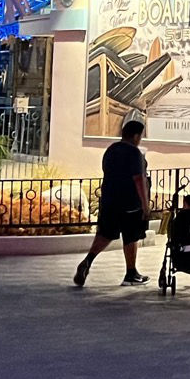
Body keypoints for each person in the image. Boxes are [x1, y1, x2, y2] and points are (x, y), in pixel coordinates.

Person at [74, 119, 151, 287]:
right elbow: (139, 180)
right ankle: (131, 273)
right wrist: (145, 206)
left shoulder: (111, 150)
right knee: (131, 237)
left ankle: (88, 260)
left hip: (109, 200)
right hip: (130, 203)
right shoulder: (134, 153)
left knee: (105, 234)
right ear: (136, 136)